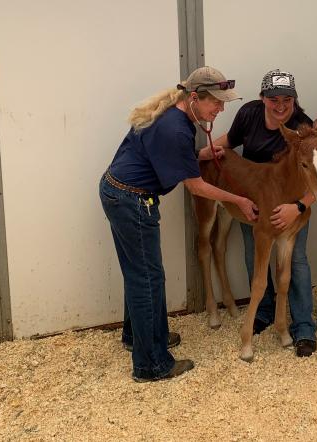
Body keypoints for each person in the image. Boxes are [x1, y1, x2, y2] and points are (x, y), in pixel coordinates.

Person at [100, 66, 258, 382]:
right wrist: (238, 200)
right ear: (196, 97)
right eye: (216, 102)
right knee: (148, 279)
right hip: (133, 200)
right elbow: (195, 186)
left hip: (120, 193)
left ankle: (139, 339)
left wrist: (200, 153)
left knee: (140, 275)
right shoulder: (176, 128)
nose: (221, 108)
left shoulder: (176, 117)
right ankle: (151, 364)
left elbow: (166, 155)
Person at [207, 69, 317, 357]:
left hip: (291, 206)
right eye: (273, 99)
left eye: (287, 100)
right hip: (252, 199)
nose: (280, 106)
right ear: (262, 98)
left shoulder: (302, 127)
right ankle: (265, 313)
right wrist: (199, 154)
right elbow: (229, 141)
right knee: (253, 255)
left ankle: (303, 326)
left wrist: (299, 206)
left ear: (294, 100)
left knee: (296, 262)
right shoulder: (249, 114)